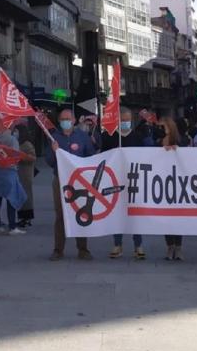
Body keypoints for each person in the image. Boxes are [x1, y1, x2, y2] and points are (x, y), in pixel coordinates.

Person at [46, 109, 95, 261]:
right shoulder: (54, 138)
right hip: (60, 180)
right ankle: (58, 250)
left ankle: (83, 249)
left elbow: (90, 156)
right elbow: (49, 161)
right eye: (62, 119)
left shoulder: (82, 137)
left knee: (81, 212)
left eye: (68, 118)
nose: (65, 121)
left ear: (74, 120)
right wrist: (54, 152)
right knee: (60, 215)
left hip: (79, 181)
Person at [103, 108, 147, 259]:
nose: (125, 123)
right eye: (122, 120)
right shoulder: (109, 136)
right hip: (115, 180)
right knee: (116, 212)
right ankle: (117, 244)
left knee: (135, 213)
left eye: (128, 120)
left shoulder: (137, 137)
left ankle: (138, 245)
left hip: (134, 180)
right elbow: (103, 156)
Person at [0, 124, 28, 238]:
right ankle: (12, 226)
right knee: (12, 199)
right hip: (9, 172)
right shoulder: (12, 140)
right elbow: (15, 156)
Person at [157, 116, 188, 261]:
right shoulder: (159, 141)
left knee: (178, 216)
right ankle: (169, 246)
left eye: (163, 126)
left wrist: (178, 151)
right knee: (166, 217)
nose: (161, 129)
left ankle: (178, 248)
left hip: (178, 182)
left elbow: (190, 157)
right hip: (163, 182)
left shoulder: (183, 140)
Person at [16, 125, 37, 228]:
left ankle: (27, 218)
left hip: (26, 174)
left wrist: (22, 157)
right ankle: (22, 217)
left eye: (16, 131)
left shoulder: (27, 144)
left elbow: (33, 157)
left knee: (27, 196)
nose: (15, 133)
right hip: (20, 173)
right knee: (21, 196)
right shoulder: (18, 143)